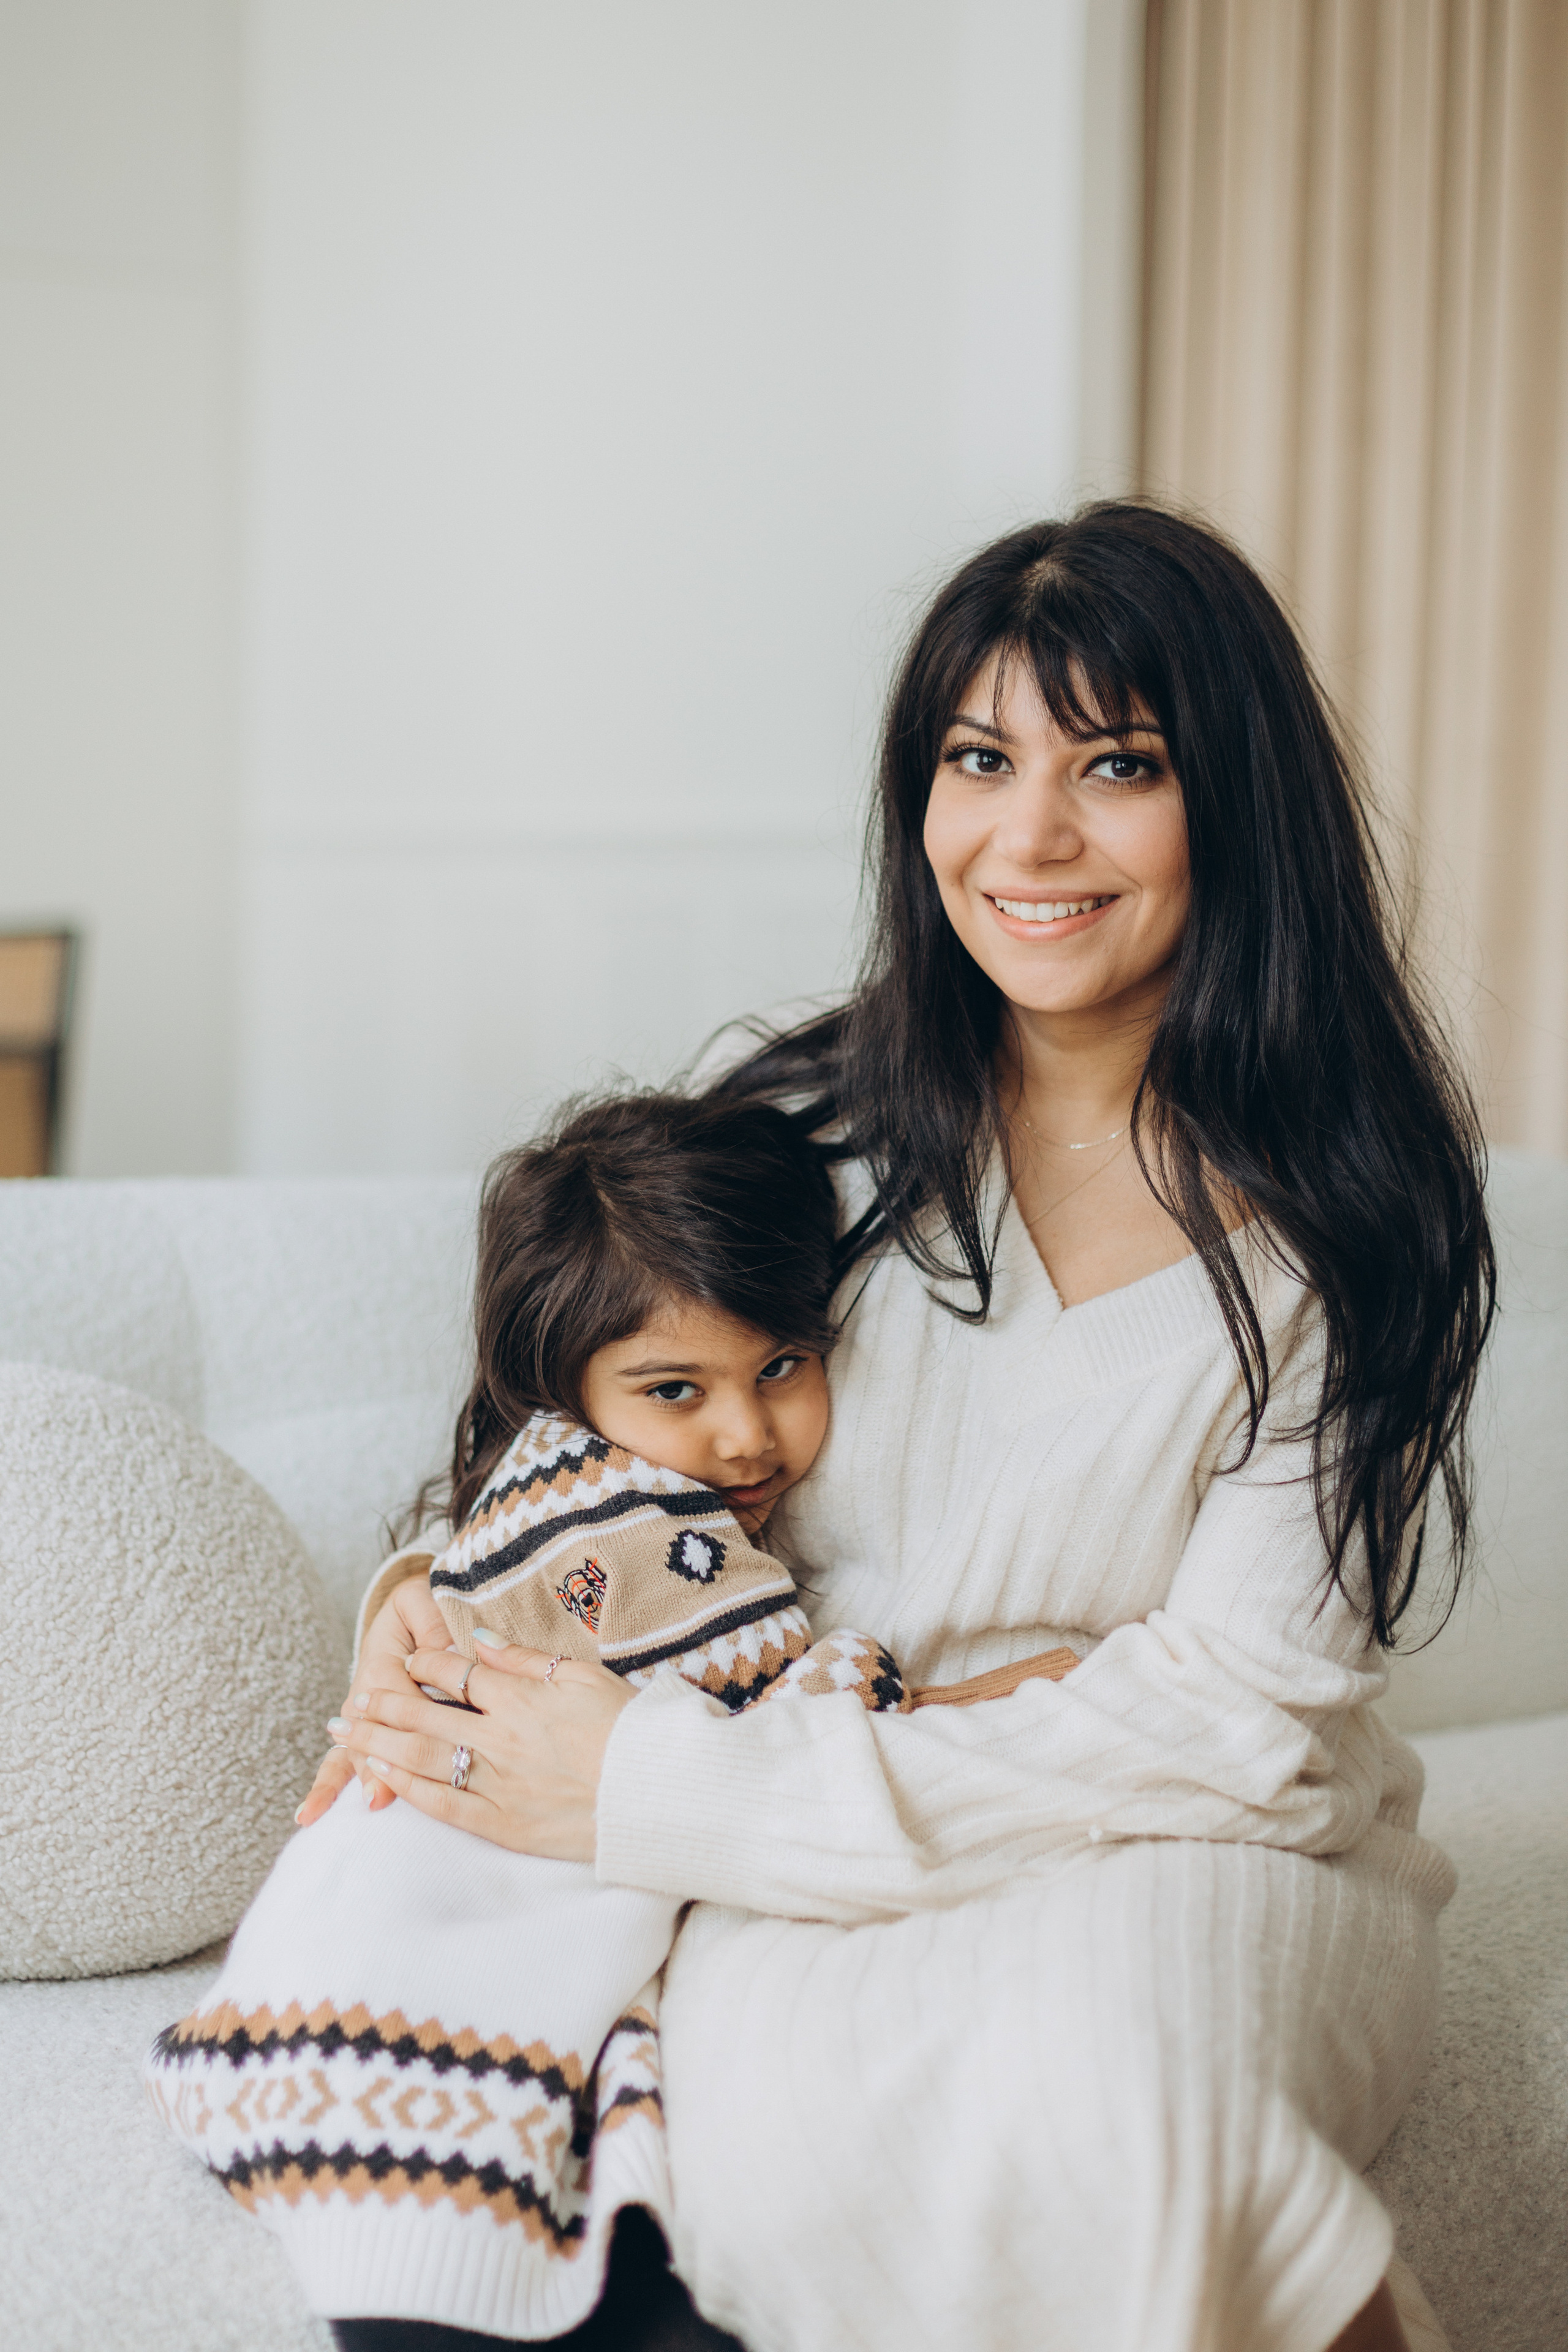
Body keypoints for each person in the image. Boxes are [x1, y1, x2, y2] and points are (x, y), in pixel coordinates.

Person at [300, 503, 1494, 2352]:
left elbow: (1242, 1732)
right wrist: (434, 1601)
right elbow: (599, 1428)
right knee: (796, 2138)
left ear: (1235, 802)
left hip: (1196, 1846)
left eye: (1118, 766)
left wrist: (656, 1787)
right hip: (796, 1832)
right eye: (977, 760)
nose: (1029, 837)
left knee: (1146, 2111)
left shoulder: (1350, 1222)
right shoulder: (806, 1133)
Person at [146, 1093, 944, 2343]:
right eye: (674, 1388)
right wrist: (923, 1688)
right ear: (557, 1390)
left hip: (342, 1969)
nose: (745, 1434)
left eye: (781, 1367)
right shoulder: (616, 1526)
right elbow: (762, 1705)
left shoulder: (562, 1494)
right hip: (415, 1918)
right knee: (460, 2226)